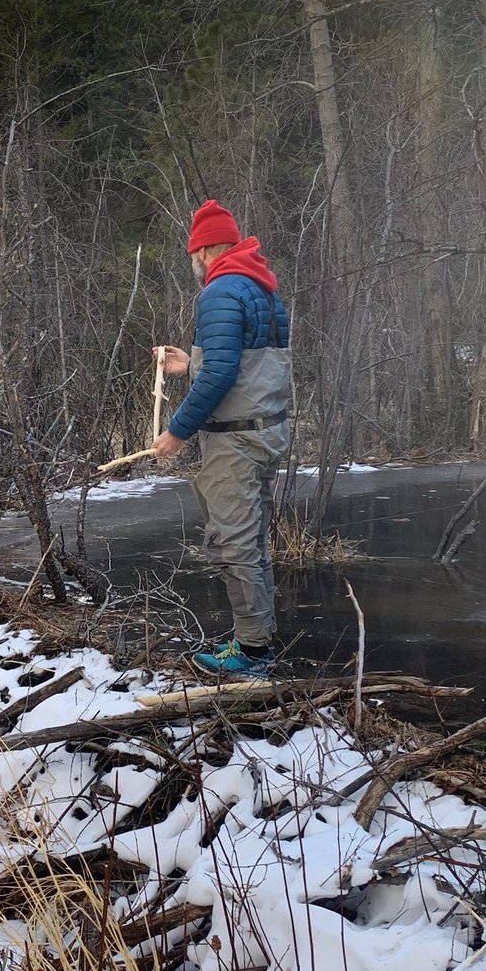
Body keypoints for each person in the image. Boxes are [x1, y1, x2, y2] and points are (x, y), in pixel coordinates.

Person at [153, 199, 291, 678]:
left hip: (233, 444)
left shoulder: (218, 292)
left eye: (194, 255)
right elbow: (247, 368)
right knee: (252, 542)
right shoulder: (263, 289)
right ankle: (257, 639)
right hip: (266, 434)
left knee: (233, 543)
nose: (194, 264)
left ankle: (252, 654)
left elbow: (222, 377)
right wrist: (188, 365)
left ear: (206, 249)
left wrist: (177, 431)